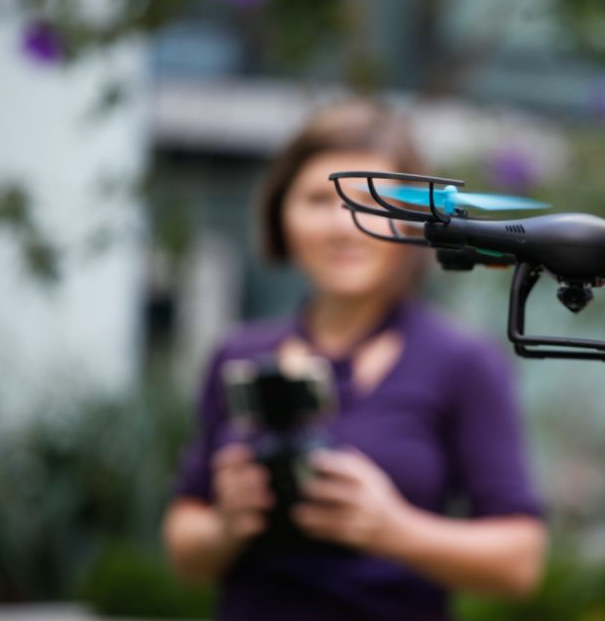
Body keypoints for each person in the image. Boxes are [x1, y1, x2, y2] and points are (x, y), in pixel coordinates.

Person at [162, 99, 547, 621]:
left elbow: (520, 561)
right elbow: (184, 549)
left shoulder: (463, 362)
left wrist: (394, 530)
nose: (344, 225)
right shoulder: (240, 356)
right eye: (318, 200)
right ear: (281, 215)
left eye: (372, 202)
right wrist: (228, 525)